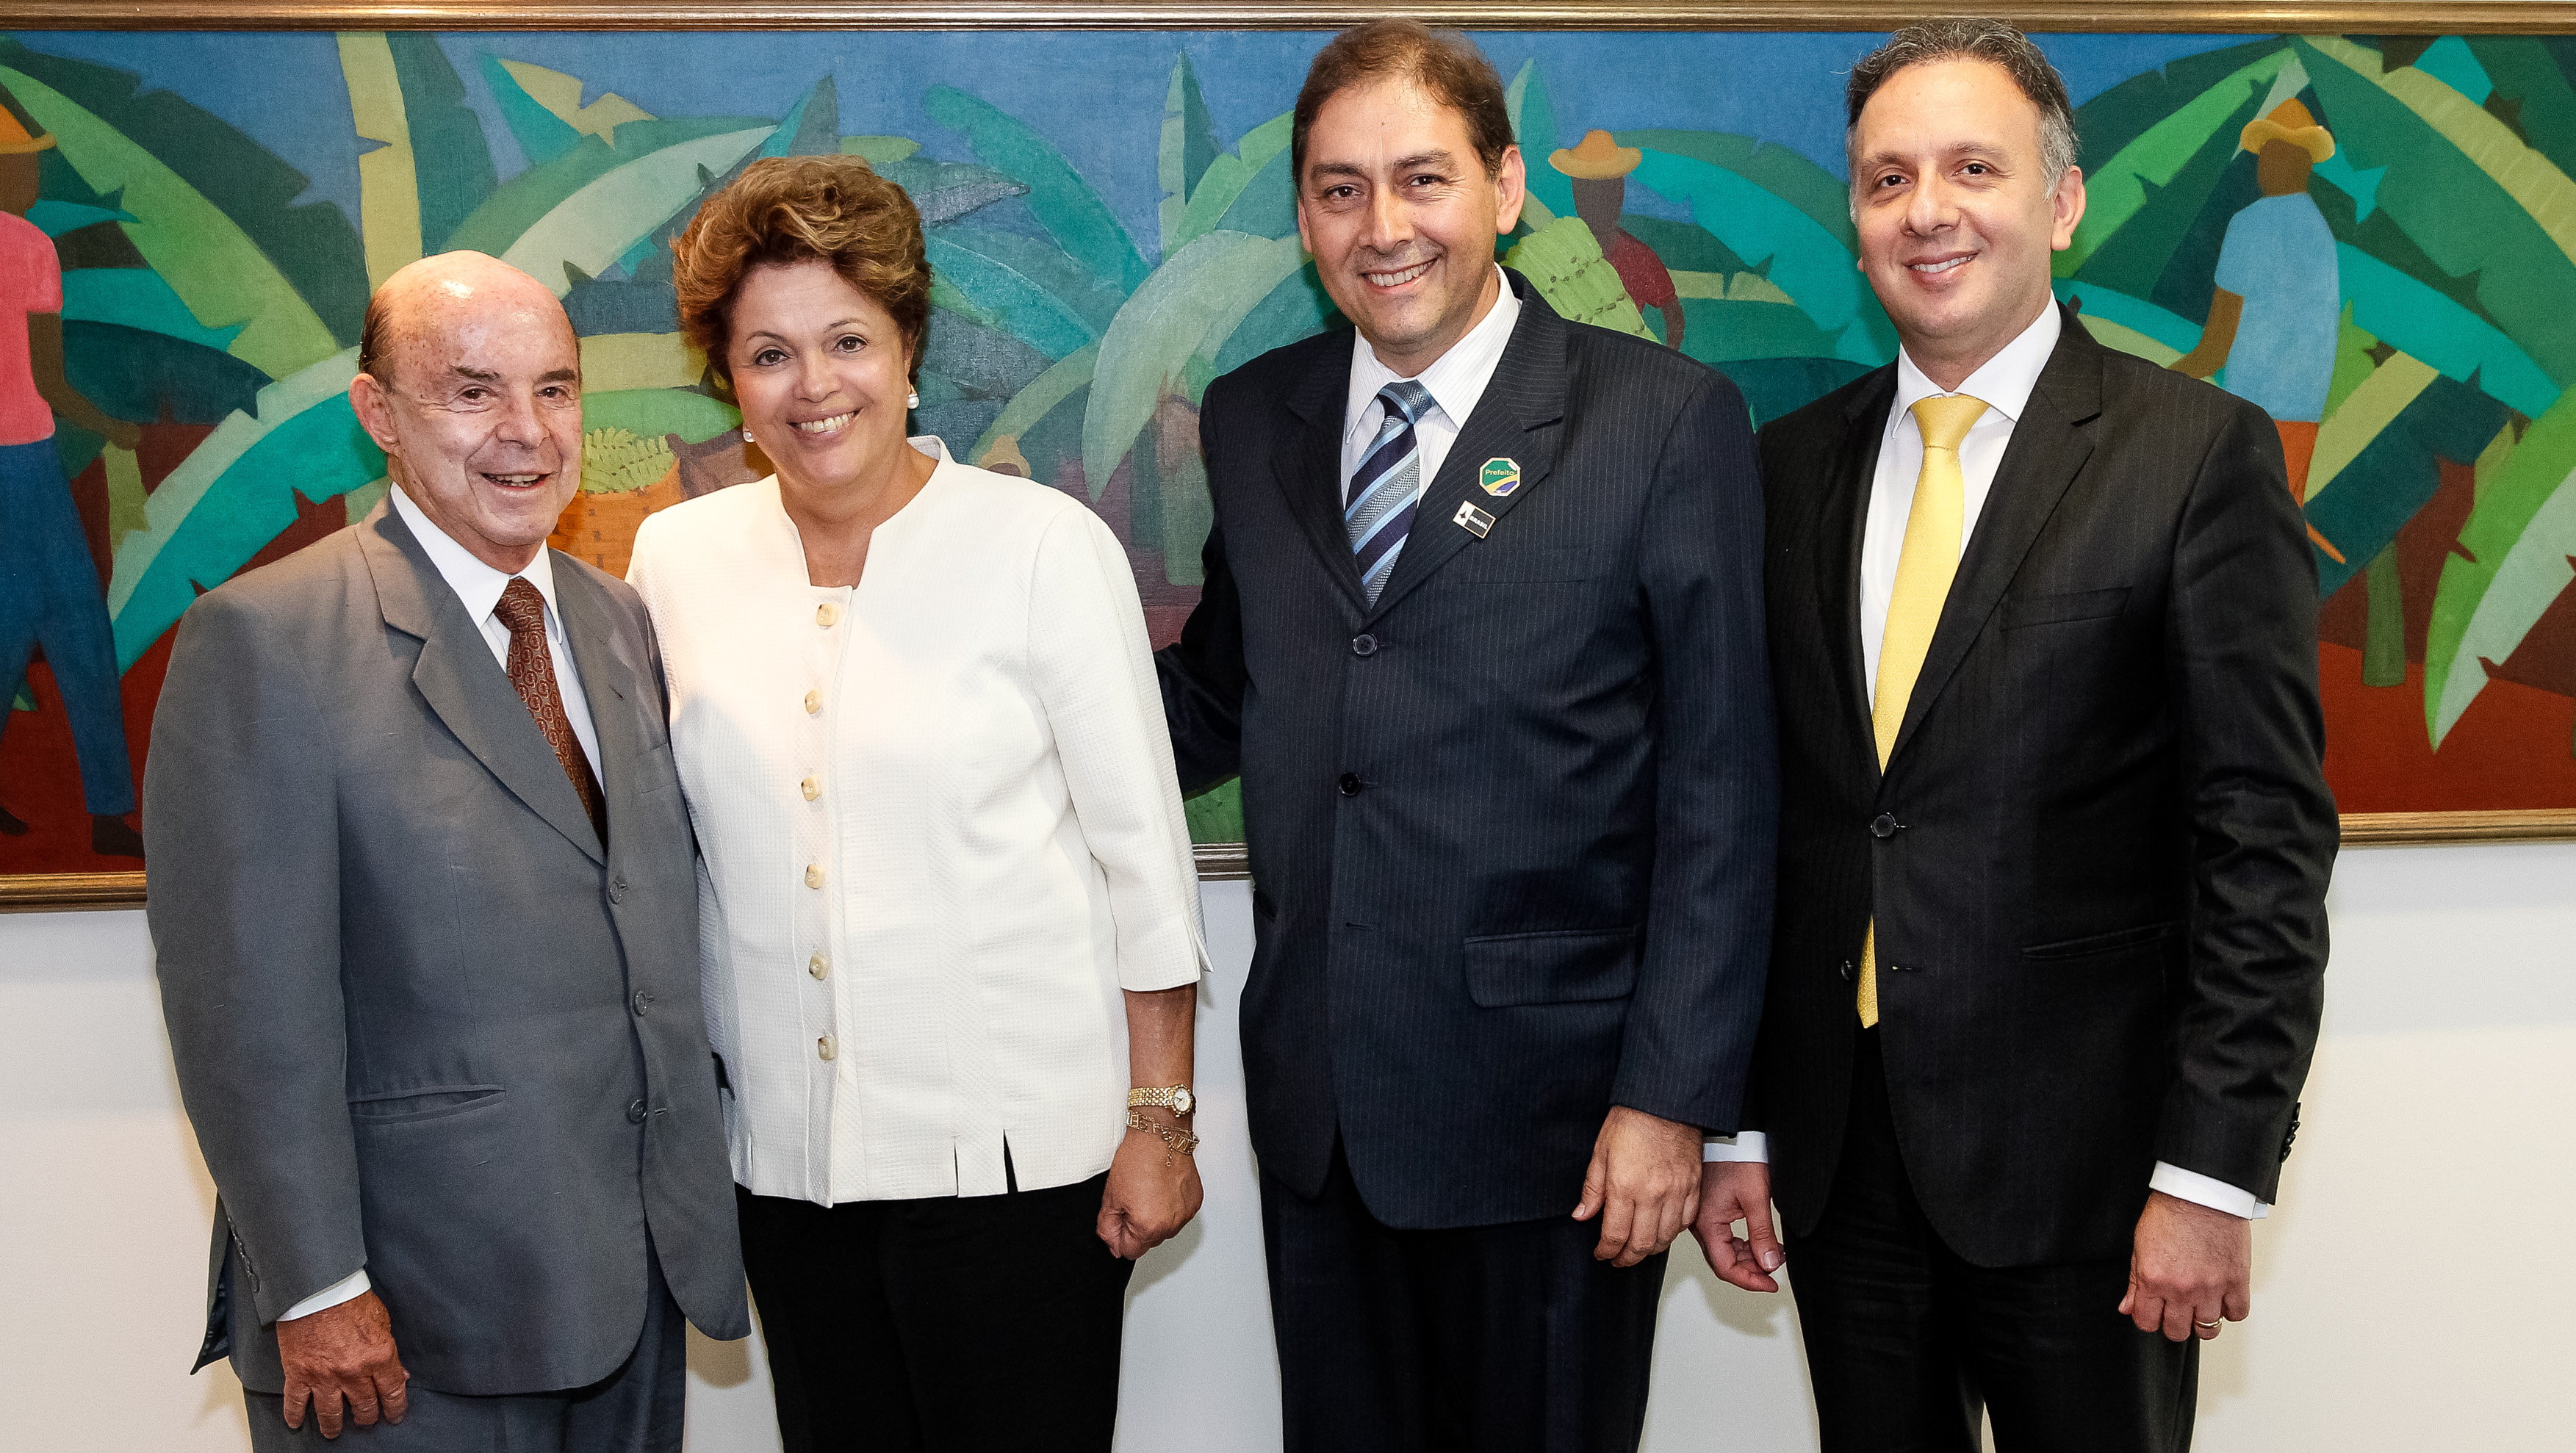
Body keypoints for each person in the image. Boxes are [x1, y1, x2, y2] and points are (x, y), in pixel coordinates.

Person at [1697, 19, 2336, 1451]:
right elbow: (1759, 819)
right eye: (1885, 178)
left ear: (2060, 199)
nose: (1926, 209)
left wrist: (2210, 1172)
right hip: (1841, 1159)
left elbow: (2261, 844)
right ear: (1854, 217)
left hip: (2095, 1175)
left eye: (1971, 167)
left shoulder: (2196, 456)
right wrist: (1736, 1121)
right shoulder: (1783, 466)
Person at [1156, 21, 1774, 1452]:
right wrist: (982, 722)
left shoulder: (1661, 420)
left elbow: (1723, 783)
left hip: (1559, 1123)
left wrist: (1676, 1100)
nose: (1383, 227)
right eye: (1340, 188)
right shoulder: (1259, 421)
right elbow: (1224, 685)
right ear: (1304, 212)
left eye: (1421, 179)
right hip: (1321, 1114)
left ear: (1504, 185)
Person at [629, 154, 1208, 1453]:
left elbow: (1143, 865)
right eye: (769, 353)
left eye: (847, 340)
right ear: (726, 376)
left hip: (1021, 1172)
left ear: (907, 349)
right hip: (785, 1170)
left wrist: (1158, 1120)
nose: (813, 385)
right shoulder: (675, 558)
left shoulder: (1043, 548)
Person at [145, 250, 748, 1450]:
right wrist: (316, 1287)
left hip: (627, 1281)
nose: (527, 432)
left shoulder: (611, 616)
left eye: (556, 389)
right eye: (473, 391)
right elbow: (246, 1008)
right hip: (404, 1321)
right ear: (380, 412)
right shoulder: (265, 642)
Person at [0, 82, 145, 856]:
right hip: (20, 460)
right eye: (19, 165)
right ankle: (108, 812)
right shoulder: (26, 247)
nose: (31, 180)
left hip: (19, 462)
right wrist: (113, 426)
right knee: (78, 628)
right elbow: (50, 381)